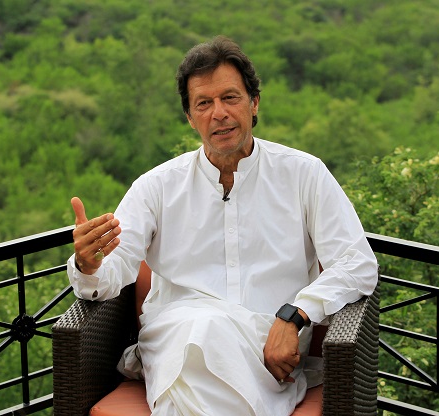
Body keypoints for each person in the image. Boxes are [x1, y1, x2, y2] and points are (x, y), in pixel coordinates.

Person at [67, 35, 378, 416]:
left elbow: (358, 263)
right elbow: (110, 274)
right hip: (176, 341)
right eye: (204, 103)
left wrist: (295, 314)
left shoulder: (304, 175)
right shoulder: (156, 186)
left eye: (230, 98)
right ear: (190, 116)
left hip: (267, 350)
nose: (219, 113)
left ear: (254, 102)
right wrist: (89, 264)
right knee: (202, 331)